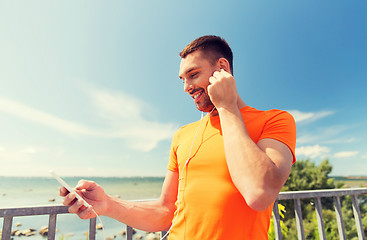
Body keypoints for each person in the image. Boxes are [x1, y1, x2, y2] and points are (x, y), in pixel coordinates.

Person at [60, 35, 296, 239]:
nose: (186, 87)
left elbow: (259, 194)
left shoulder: (275, 120)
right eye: (183, 79)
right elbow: (165, 212)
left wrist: (226, 108)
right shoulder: (183, 136)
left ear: (222, 69)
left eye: (193, 74)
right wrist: (108, 204)